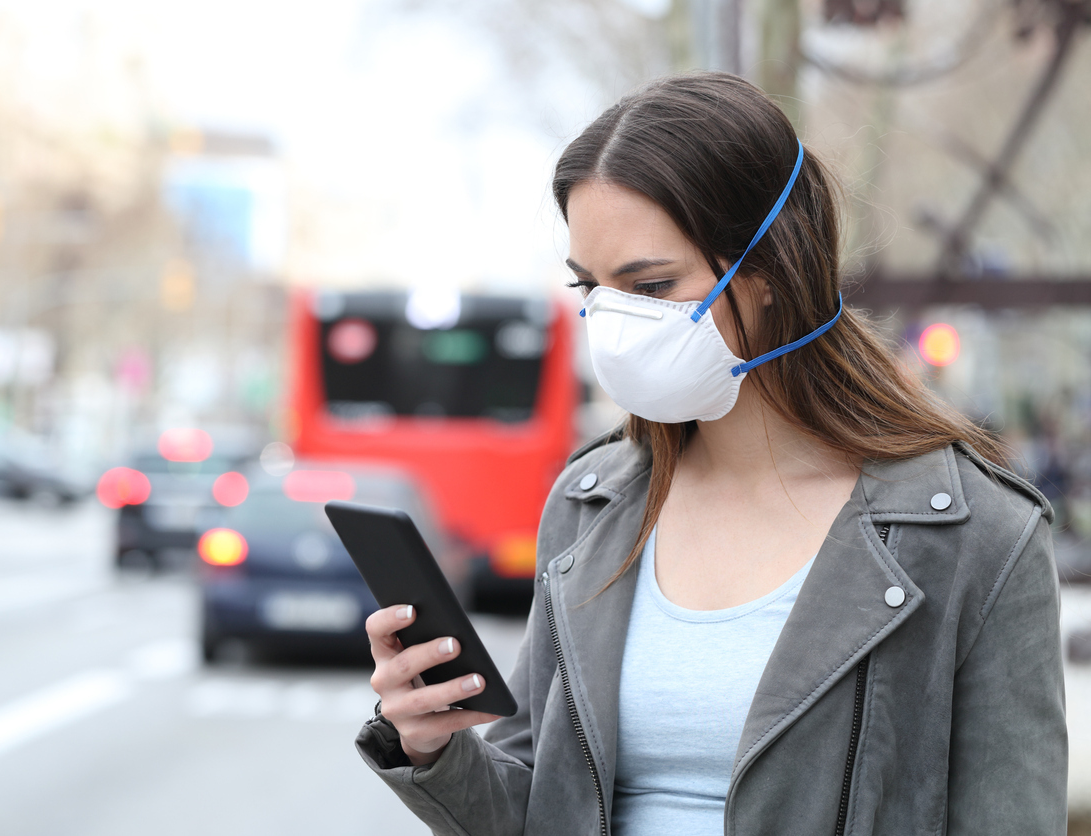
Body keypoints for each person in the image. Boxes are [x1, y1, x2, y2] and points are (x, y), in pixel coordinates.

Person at [355, 72, 1065, 836]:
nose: (615, 322)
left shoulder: (979, 536)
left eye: (650, 284)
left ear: (767, 272)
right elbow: (539, 802)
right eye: (591, 287)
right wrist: (432, 747)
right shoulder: (589, 502)